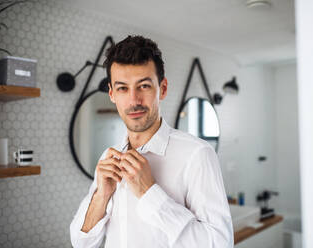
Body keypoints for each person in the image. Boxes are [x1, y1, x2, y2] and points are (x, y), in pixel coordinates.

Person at [70, 35, 234, 248]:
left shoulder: (198, 154)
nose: (134, 100)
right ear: (112, 94)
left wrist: (149, 193)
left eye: (144, 86)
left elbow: (220, 244)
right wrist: (102, 195)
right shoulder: (108, 158)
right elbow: (80, 243)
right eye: (122, 88)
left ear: (162, 89)